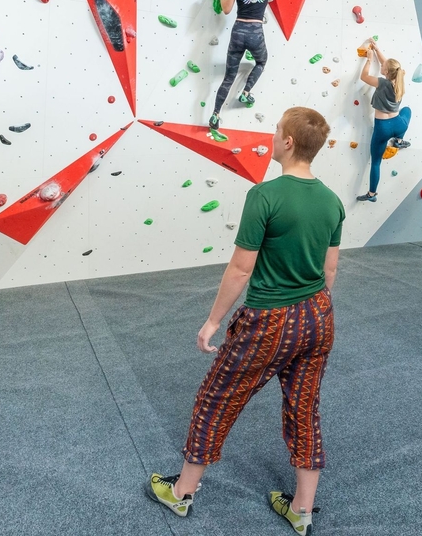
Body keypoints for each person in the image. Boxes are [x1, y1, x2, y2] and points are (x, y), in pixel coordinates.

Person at [145, 107, 345, 535]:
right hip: (318, 318)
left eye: (276, 131)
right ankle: (302, 511)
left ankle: (180, 493)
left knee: (216, 398)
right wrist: (312, 312)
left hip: (269, 320)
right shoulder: (332, 201)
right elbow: (330, 272)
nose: (273, 137)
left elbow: (239, 270)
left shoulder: (265, 195)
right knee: (304, 409)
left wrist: (213, 321)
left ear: (289, 142)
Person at [209, 0, 299, 130]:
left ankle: (215, 115)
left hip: (238, 31)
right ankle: (246, 92)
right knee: (261, 61)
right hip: (255, 32)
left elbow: (226, 9)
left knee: (229, 77)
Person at [356, 40, 411, 202]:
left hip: (382, 129)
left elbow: (364, 76)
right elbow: (387, 65)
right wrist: (378, 49)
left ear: (385, 72)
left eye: (383, 67)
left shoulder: (381, 82)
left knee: (376, 163)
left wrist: (369, 58)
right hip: (398, 124)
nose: (381, 66)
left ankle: (372, 194)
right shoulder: (399, 79)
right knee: (407, 110)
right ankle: (399, 140)